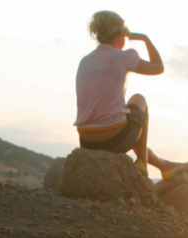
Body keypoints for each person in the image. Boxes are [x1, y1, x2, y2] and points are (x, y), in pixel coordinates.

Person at [74, 11, 178, 178]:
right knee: (139, 99)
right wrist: (145, 39)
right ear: (120, 35)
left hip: (85, 140)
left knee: (125, 117)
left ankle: (161, 165)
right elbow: (158, 67)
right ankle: (142, 163)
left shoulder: (85, 61)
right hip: (114, 139)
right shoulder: (123, 57)